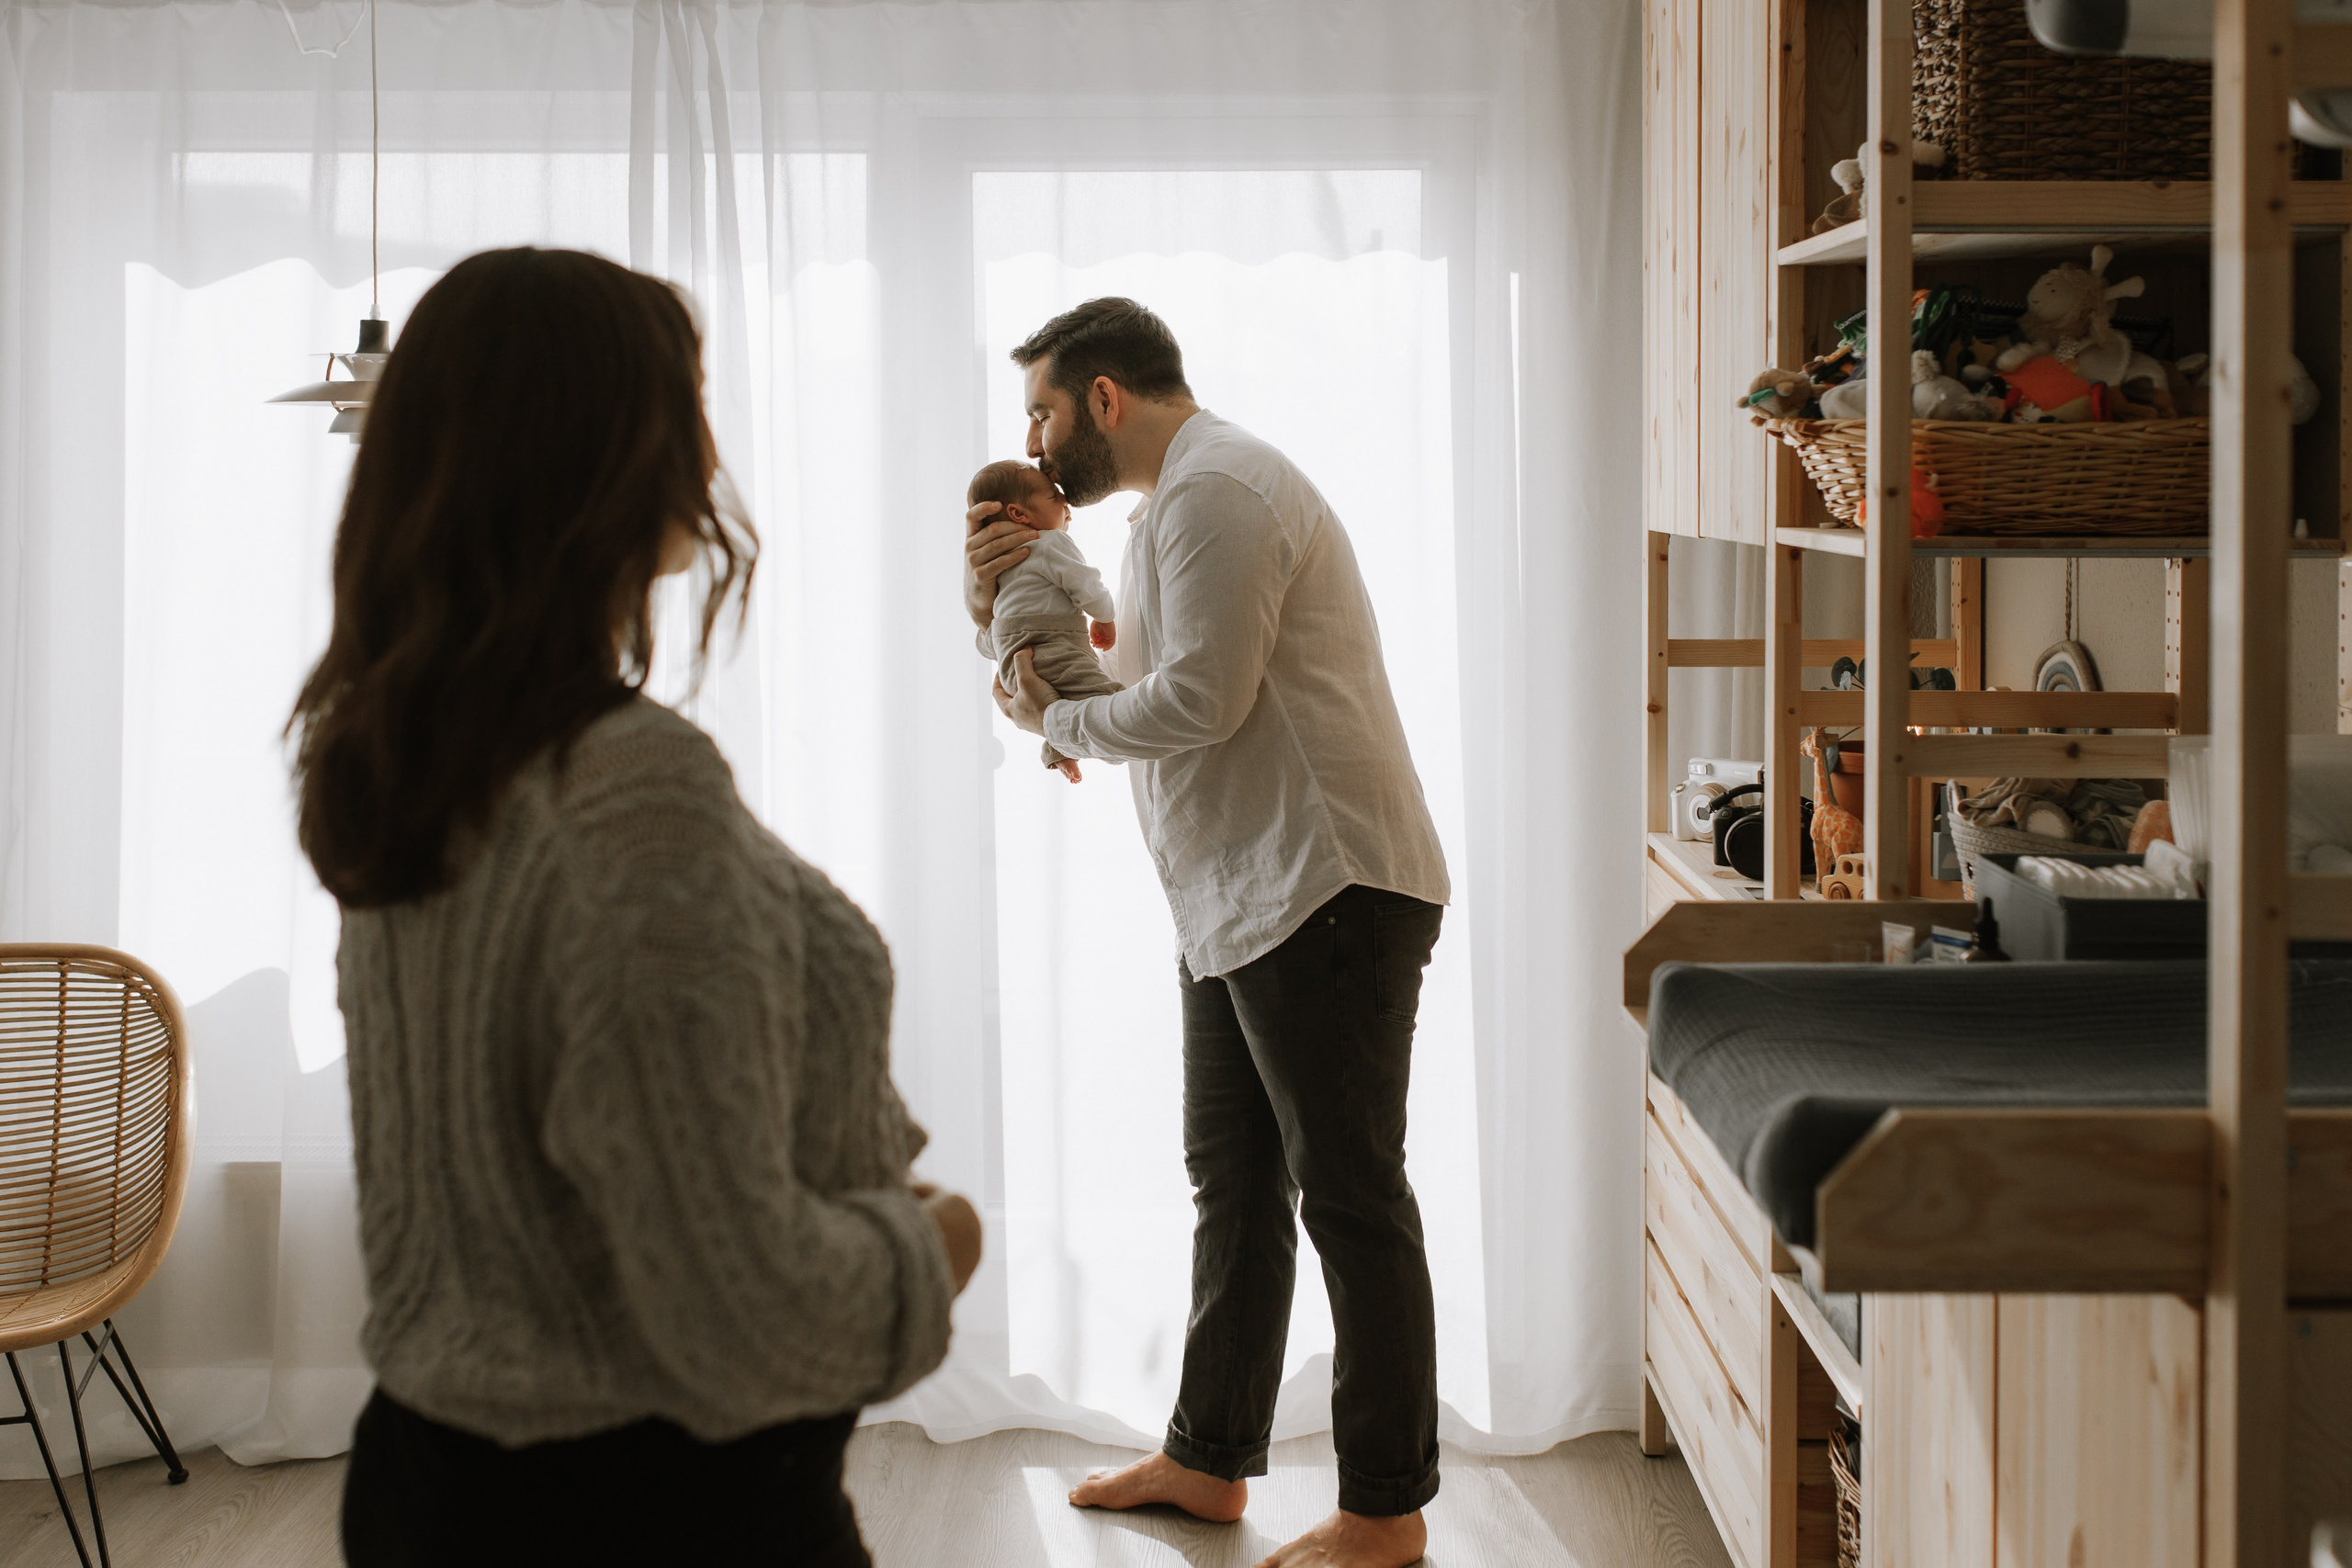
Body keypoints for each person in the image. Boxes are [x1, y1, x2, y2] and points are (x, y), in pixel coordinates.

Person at [289, 246, 983, 1567]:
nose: (709, 444)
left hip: (439, 1477)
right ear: (600, 448)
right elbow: (738, 1313)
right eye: (691, 395)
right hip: (657, 1507)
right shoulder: (625, 791)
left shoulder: (416, 750)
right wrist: (933, 1238)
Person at [965, 298, 1450, 1568]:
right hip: (1244, 893)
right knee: (1235, 1181)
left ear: (1106, 396)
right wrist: (1056, 664)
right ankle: (1209, 1455)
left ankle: (1386, 1511)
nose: (1033, 436)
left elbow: (1203, 699)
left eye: (1043, 409)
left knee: (1350, 1191)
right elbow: (1164, 671)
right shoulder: (1171, 511)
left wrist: (1064, 726)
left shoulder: (1216, 492)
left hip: (1324, 885)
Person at [965, 457, 1122, 782]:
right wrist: (1105, 617)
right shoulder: (1051, 542)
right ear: (1019, 514)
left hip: (1009, 658)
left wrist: (983, 625)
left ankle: (1056, 750)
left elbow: (999, 619)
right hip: (1048, 645)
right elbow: (1084, 582)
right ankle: (1096, 743)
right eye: (1054, 497)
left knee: (1064, 696)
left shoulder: (999, 564)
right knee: (1107, 700)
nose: (1066, 501)